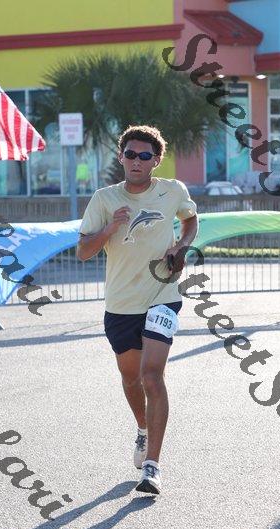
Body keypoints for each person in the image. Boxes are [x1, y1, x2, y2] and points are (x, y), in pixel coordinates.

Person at [77, 125, 198, 494]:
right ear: (121, 157)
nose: (136, 161)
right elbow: (83, 252)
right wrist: (109, 228)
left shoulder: (172, 190)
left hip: (162, 295)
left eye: (145, 155)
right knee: (131, 379)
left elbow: (190, 220)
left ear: (155, 160)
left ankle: (152, 468)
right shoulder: (104, 198)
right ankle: (143, 429)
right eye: (130, 154)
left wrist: (180, 246)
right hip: (120, 305)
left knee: (151, 376)